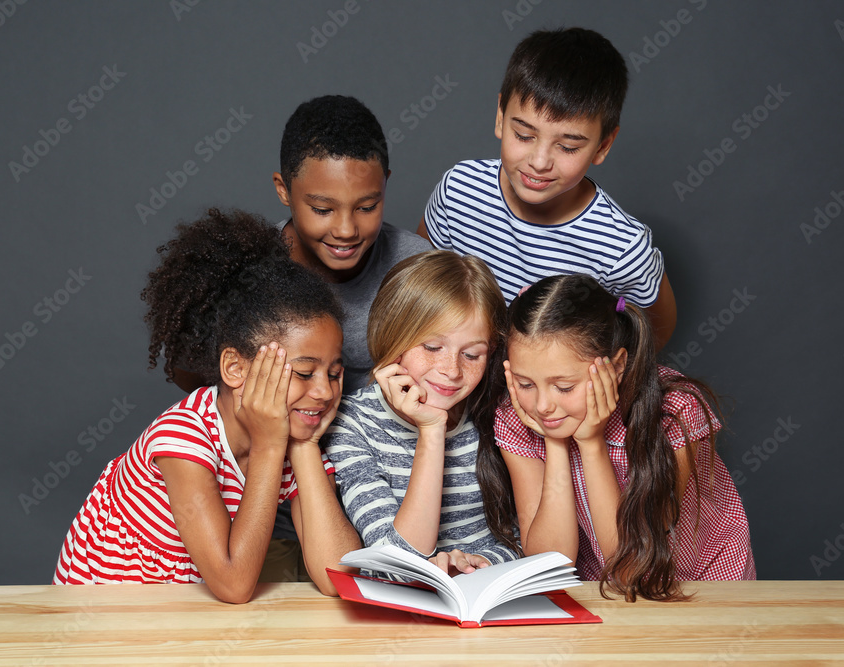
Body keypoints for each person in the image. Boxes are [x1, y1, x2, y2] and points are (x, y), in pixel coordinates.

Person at [53, 209, 360, 601]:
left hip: (182, 617)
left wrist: (303, 447)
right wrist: (269, 445)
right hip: (104, 615)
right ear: (234, 368)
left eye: (334, 373)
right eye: (303, 373)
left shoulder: (293, 441)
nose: (323, 391)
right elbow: (233, 585)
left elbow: (337, 576)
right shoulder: (184, 436)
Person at [479, 274, 754, 602]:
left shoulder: (676, 411)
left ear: (618, 365)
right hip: (606, 591)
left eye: (564, 387)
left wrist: (591, 444)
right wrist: (555, 444)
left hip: (702, 583)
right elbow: (549, 563)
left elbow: (631, 566)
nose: (542, 406)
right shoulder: (518, 418)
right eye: (525, 384)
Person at [418, 27, 677, 350]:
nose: (539, 162)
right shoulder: (459, 191)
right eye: (524, 135)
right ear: (500, 117)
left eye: (568, 147)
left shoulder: (621, 248)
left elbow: (655, 331)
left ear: (603, 145)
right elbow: (421, 285)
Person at [323, 250, 517, 574]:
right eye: (431, 347)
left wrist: (479, 564)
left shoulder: (497, 410)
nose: (451, 370)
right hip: (396, 613)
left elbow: (527, 541)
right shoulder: (351, 423)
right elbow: (393, 562)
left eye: (471, 354)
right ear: (393, 334)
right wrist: (432, 430)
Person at [273, 94, 432, 395]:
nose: (346, 230)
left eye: (367, 207)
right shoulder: (253, 264)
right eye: (322, 210)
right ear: (284, 191)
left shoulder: (413, 266)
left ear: (385, 184)